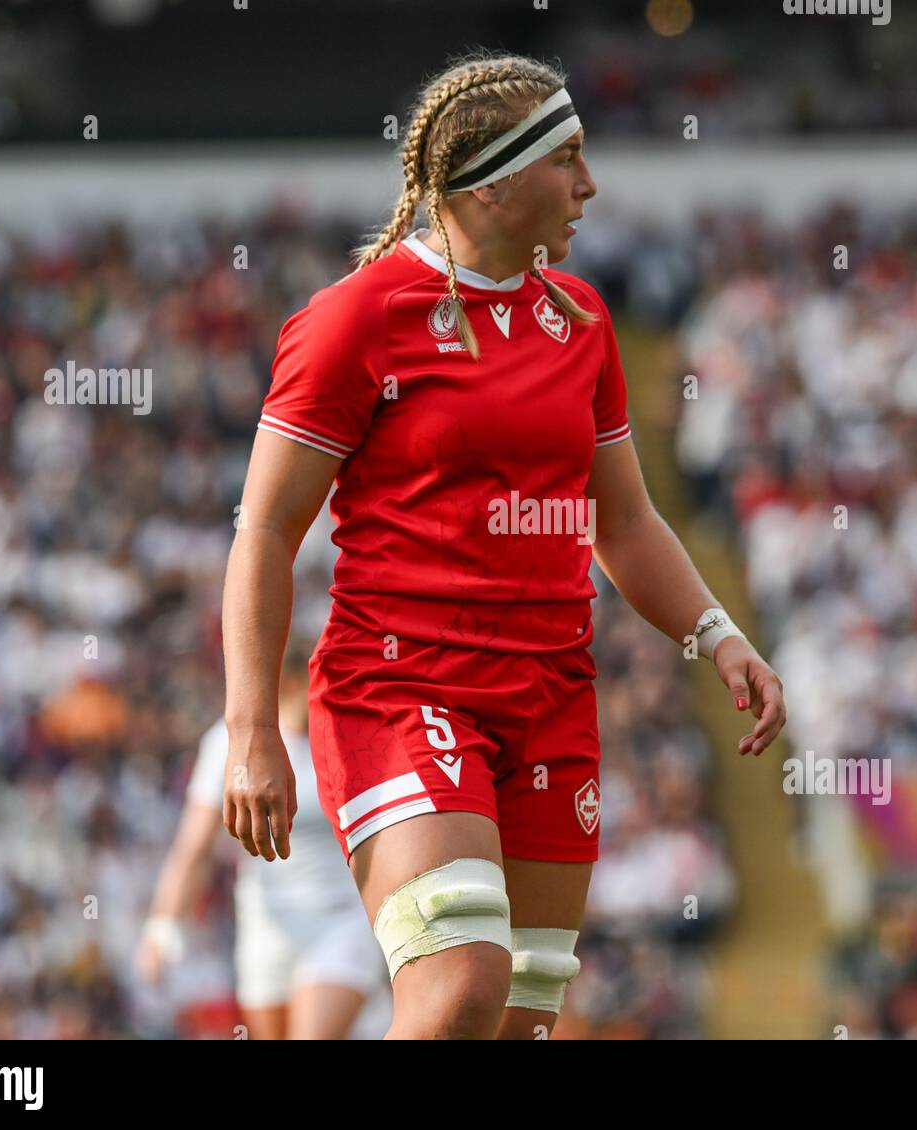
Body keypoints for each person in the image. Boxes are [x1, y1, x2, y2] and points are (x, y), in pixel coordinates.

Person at [221, 49, 786, 1040]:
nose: (589, 184)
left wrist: (714, 630)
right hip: (402, 690)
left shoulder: (579, 321)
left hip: (551, 698)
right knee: (459, 988)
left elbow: (623, 520)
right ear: (491, 176)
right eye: (566, 157)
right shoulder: (353, 322)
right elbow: (265, 529)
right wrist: (250, 729)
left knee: (520, 1021)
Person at [136, 639, 391, 1039]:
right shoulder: (228, 743)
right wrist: (163, 927)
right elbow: (195, 848)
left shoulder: (350, 736)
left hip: (341, 919)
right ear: (283, 683)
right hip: (266, 925)